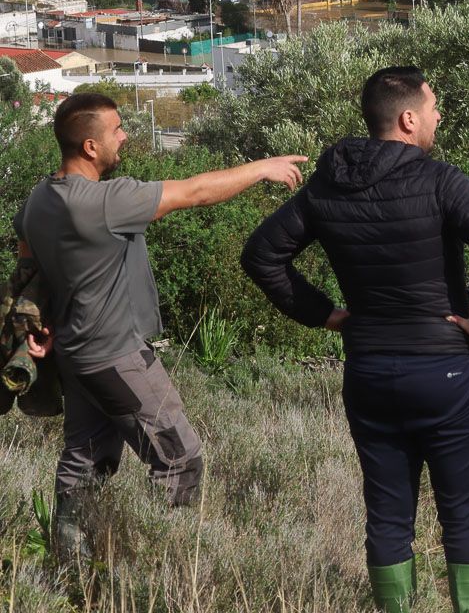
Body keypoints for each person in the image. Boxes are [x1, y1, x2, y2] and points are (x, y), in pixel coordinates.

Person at [242, 66, 469, 613]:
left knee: (388, 516)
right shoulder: (440, 180)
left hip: (370, 373)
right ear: (408, 118)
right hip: (446, 374)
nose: (439, 116)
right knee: (464, 519)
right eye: (434, 105)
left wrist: (325, 315)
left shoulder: (327, 185)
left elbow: (262, 255)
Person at [15, 92, 305, 555]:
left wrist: (39, 319)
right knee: (180, 459)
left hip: (75, 354)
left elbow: (27, 257)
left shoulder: (41, 197)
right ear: (91, 147)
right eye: (117, 130)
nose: (125, 136)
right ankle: (166, 564)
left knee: (86, 460)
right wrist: (262, 168)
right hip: (116, 356)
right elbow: (194, 191)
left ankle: (72, 566)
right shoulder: (99, 202)